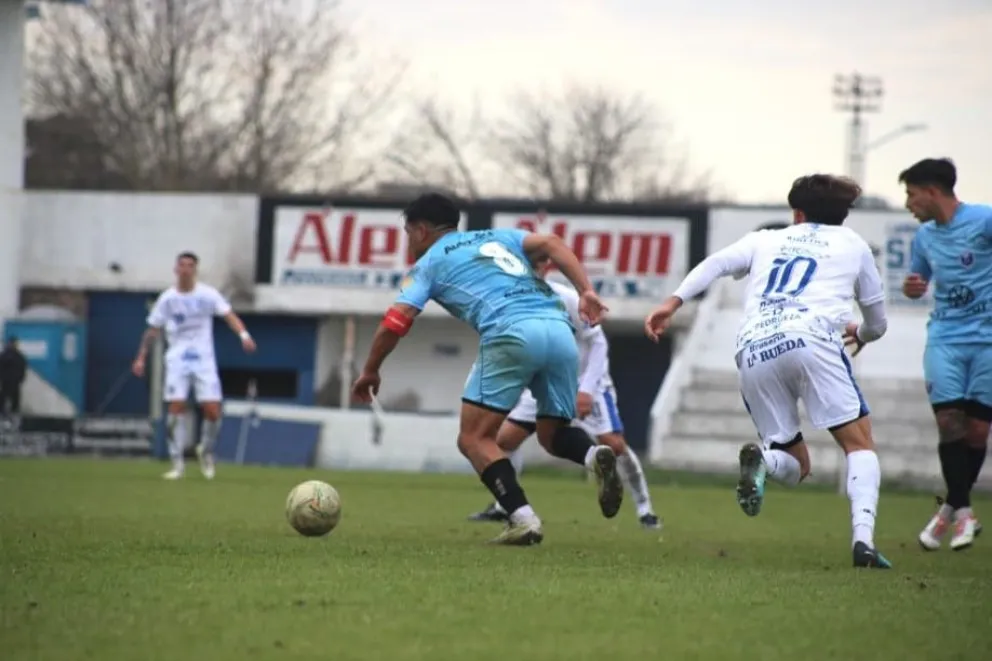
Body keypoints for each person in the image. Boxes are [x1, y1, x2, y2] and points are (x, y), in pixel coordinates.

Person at [644, 174, 892, 569]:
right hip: (812, 339)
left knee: (794, 466)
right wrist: (860, 333)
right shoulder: (855, 245)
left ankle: (765, 459)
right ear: (843, 215)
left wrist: (672, 303)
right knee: (858, 445)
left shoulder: (766, 238)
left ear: (797, 213)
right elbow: (877, 324)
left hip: (754, 345)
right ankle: (863, 541)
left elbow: (716, 264)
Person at [351, 193, 623, 546]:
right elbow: (553, 243)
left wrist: (371, 370)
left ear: (420, 230)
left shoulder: (427, 264)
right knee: (552, 434)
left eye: (407, 232)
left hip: (511, 332)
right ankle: (593, 455)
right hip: (559, 330)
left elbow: (395, 322)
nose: (407, 241)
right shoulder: (499, 237)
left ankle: (522, 518)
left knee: (474, 438)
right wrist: (585, 290)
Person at [468, 255, 660, 529]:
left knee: (614, 445)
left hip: (585, 382)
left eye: (533, 265)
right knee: (504, 440)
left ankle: (645, 510)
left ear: (546, 268)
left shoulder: (565, 298)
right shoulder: (512, 299)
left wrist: (587, 390)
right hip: (546, 382)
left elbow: (598, 343)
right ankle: (503, 506)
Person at [899, 157, 992, 552]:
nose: (908, 203)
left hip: (988, 341)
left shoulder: (984, 221)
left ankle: (947, 510)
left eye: (911, 194)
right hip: (945, 339)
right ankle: (965, 513)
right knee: (949, 423)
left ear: (932, 191)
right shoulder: (924, 237)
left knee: (977, 431)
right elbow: (918, 279)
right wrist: (912, 288)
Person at [132, 252, 256, 480]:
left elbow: (229, 315)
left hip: (203, 359)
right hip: (177, 359)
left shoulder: (207, 295)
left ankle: (206, 450)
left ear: (195, 270)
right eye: (182, 265)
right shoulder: (168, 299)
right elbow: (152, 329)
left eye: (190, 266)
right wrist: (141, 357)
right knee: (176, 408)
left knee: (212, 410)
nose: (186, 269)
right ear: (176, 269)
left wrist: (244, 335)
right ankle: (177, 463)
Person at [0, 337, 27, 417]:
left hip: (10, 382)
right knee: (10, 401)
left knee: (8, 400)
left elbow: (22, 369)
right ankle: (9, 416)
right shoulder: (19, 356)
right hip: (10, 382)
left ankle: (8, 416)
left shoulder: (4, 355)